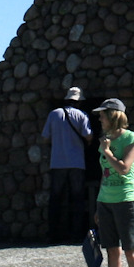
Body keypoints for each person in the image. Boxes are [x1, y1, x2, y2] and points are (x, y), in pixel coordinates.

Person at [94, 98, 134, 267]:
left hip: (126, 201)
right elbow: (103, 175)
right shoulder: (104, 141)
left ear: (113, 116)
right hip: (106, 201)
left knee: (131, 252)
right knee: (112, 252)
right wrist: (98, 206)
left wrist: (108, 152)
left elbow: (124, 168)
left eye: (103, 114)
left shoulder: (132, 138)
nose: (99, 118)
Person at [43, 87, 94, 243]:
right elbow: (88, 136)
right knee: (77, 198)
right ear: (79, 102)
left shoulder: (54, 114)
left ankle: (54, 233)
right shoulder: (82, 115)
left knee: (56, 199)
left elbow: (45, 137)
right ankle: (76, 233)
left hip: (57, 162)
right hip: (76, 162)